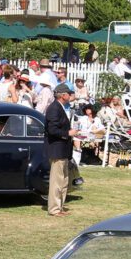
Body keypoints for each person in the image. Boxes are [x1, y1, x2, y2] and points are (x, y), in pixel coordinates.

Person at [44, 82, 74, 217]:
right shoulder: (54, 108)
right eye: (68, 93)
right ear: (63, 95)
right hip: (57, 149)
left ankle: (60, 207)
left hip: (63, 150)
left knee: (64, 180)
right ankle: (54, 209)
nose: (70, 95)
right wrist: (67, 133)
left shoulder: (60, 107)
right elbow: (52, 130)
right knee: (57, 181)